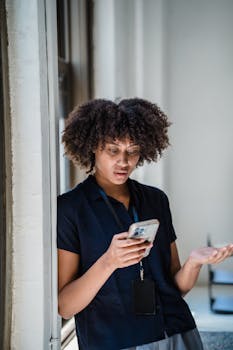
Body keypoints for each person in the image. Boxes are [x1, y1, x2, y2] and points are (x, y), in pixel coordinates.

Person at [57, 98, 233, 350]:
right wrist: (109, 262)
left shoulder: (155, 200)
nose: (124, 161)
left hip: (178, 332)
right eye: (113, 150)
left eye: (133, 150)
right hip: (114, 341)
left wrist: (194, 263)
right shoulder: (70, 209)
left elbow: (174, 288)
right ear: (93, 146)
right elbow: (65, 306)